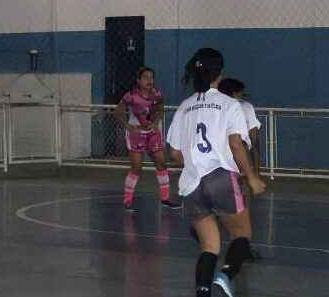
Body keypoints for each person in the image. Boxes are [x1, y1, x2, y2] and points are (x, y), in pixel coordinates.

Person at [167, 48, 266, 297]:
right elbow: (235, 144)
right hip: (220, 177)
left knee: (209, 246)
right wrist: (252, 177)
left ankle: (203, 291)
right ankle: (226, 274)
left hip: (191, 184)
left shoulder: (184, 107)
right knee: (242, 234)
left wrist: (194, 162)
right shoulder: (230, 105)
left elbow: (175, 154)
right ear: (220, 74)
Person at [112, 67, 181, 212]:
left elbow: (160, 109)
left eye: (151, 77)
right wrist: (128, 126)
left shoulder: (157, 94)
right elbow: (118, 112)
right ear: (138, 80)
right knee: (137, 167)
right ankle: (128, 200)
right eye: (146, 77)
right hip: (136, 134)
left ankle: (165, 198)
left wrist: (155, 122)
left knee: (161, 163)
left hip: (152, 133)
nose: (149, 80)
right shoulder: (130, 96)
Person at [218, 78, 264, 261]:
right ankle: (242, 244)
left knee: (230, 203)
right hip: (236, 158)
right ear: (234, 93)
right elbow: (254, 139)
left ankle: (236, 241)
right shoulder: (244, 107)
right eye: (240, 93)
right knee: (241, 205)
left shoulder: (217, 108)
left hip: (222, 161)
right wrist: (255, 171)